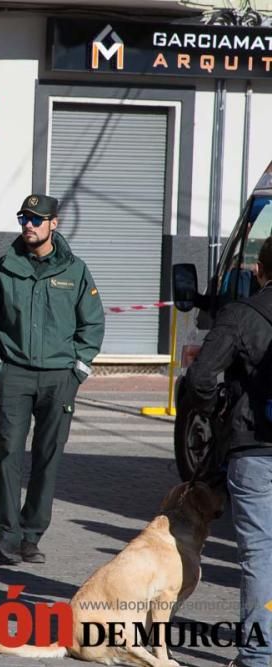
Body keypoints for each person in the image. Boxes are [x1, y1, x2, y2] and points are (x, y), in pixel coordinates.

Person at [0, 193, 105, 565]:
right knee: (9, 454)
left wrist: (78, 370)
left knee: (48, 457)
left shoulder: (75, 271)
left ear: (53, 224)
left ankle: (31, 535)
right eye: (23, 219)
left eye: (35, 219)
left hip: (59, 378)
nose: (28, 225)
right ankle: (7, 535)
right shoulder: (4, 267)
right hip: (14, 376)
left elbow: (92, 323)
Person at [182, 236, 272, 667]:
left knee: (259, 553)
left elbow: (201, 376)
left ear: (259, 270)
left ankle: (259, 654)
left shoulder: (241, 314)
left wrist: (215, 409)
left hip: (252, 446)